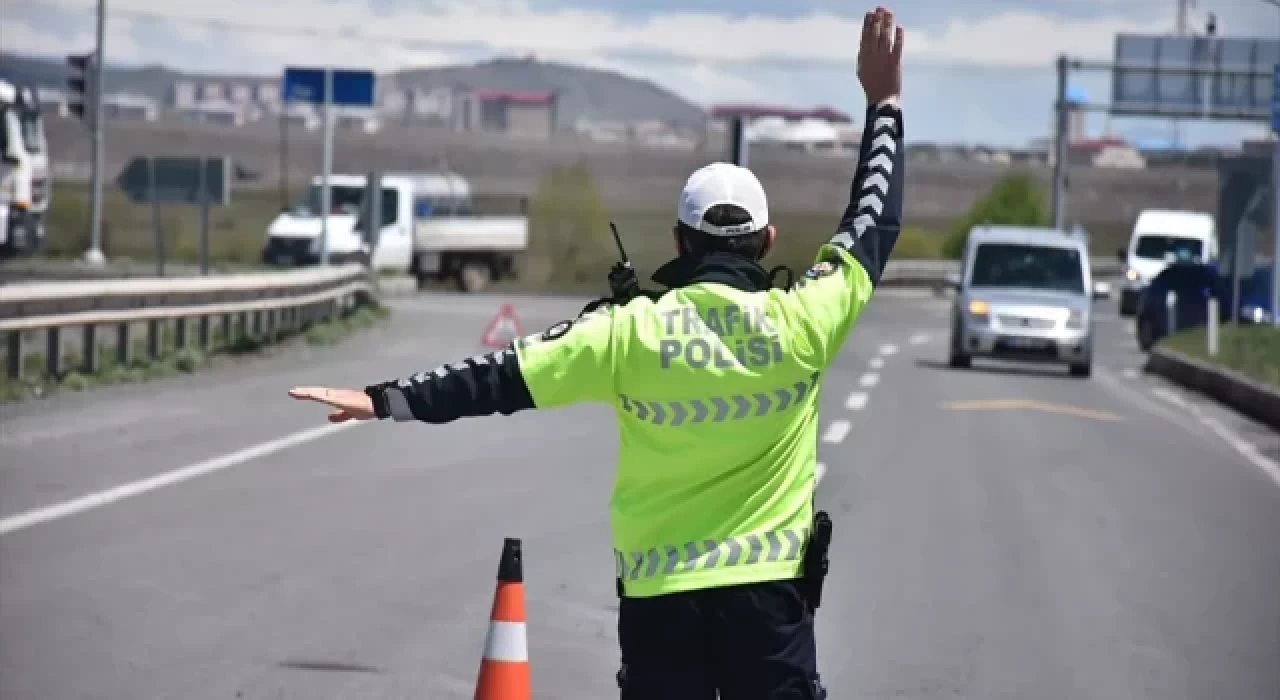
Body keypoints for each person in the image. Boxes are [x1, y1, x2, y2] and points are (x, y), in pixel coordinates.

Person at [288, 7, 905, 698]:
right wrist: (883, 104)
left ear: (679, 241)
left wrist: (383, 398)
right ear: (766, 242)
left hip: (659, 602)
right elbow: (872, 221)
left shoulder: (625, 333)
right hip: (770, 610)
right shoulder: (804, 320)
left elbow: (499, 377)